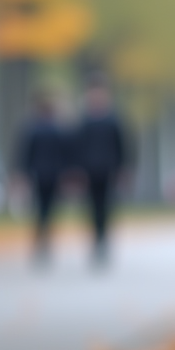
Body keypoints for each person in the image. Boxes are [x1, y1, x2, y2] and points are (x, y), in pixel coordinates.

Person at [74, 82, 126, 264]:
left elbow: (122, 146)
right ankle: (96, 239)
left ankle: (103, 239)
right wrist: (76, 170)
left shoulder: (113, 120)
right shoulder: (84, 120)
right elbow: (77, 147)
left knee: (106, 206)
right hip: (88, 171)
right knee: (92, 207)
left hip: (108, 170)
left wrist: (123, 169)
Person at [17, 94, 70, 264]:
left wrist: (22, 174)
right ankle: (45, 241)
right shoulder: (58, 129)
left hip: (38, 175)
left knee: (40, 209)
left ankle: (41, 241)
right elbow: (64, 156)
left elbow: (25, 154)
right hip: (54, 175)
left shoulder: (32, 129)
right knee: (49, 210)